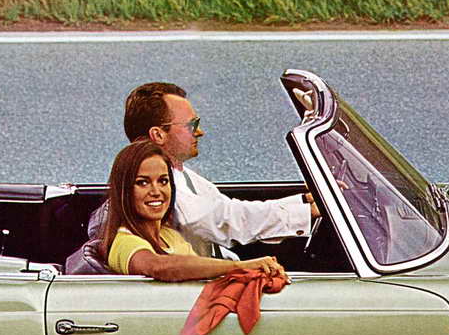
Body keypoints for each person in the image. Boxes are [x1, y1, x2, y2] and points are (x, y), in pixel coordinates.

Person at [116, 82, 317, 254]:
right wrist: (306, 213)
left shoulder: (183, 176)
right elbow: (226, 221)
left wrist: (303, 201)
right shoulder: (162, 187)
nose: (200, 132)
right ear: (159, 134)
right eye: (192, 125)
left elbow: (228, 208)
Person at [103, 140, 286, 283]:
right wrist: (240, 267)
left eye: (163, 181)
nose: (156, 191)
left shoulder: (169, 236)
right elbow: (159, 267)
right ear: (124, 190)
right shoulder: (124, 242)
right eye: (142, 182)